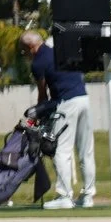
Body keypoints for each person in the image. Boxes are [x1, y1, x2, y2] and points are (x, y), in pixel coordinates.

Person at [29, 27, 93, 211]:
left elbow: (43, 95)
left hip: (67, 103)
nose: (25, 55)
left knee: (61, 151)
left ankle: (64, 196)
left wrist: (38, 116)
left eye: (24, 51)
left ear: (32, 47)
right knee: (86, 151)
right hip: (84, 99)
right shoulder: (60, 51)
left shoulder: (38, 62)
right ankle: (88, 196)